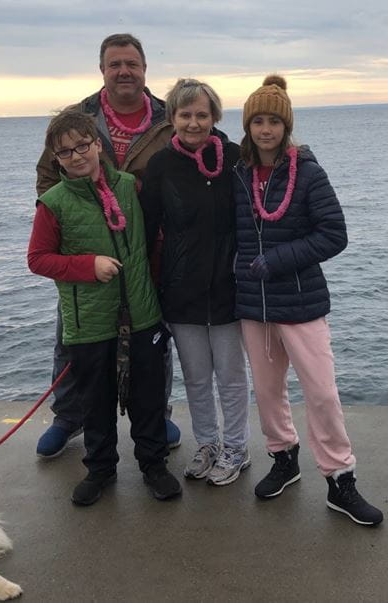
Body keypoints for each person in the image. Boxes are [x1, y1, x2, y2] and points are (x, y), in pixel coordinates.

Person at [233, 74, 383, 525]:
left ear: (286, 126)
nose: (265, 130)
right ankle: (283, 457)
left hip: (300, 302)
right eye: (257, 120)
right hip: (253, 305)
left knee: (321, 392)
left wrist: (277, 260)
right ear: (247, 126)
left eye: (274, 122)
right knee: (267, 391)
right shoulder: (236, 174)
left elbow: (334, 235)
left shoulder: (309, 172)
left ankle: (340, 479)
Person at [35, 33, 180, 458]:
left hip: (150, 248)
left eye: (131, 63)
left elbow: (211, 155)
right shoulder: (76, 118)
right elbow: (47, 179)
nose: (124, 71)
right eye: (115, 64)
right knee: (73, 333)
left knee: (154, 333)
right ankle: (69, 415)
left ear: (145, 68)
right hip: (86, 248)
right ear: (102, 70)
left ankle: (158, 410)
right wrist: (75, 229)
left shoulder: (170, 119)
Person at [140, 79, 250, 486]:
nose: (193, 122)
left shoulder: (238, 158)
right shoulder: (160, 166)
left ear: (215, 117)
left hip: (229, 286)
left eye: (202, 114)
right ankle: (207, 443)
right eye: (185, 115)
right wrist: (148, 287)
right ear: (171, 119)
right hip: (180, 288)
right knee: (197, 377)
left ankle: (237, 447)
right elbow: (148, 231)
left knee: (231, 376)